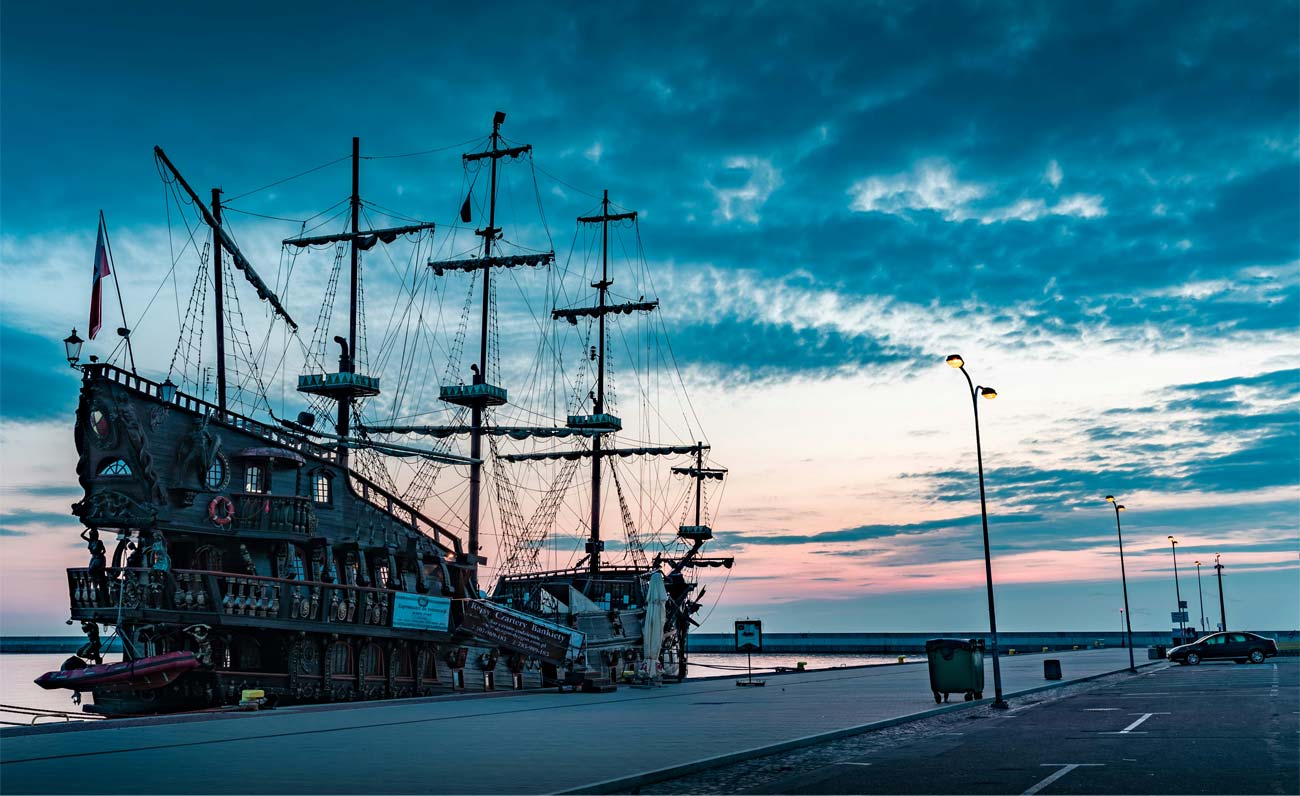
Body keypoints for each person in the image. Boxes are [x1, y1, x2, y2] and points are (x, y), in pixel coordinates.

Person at [80, 528, 108, 605]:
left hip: (98, 558)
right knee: (90, 571)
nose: (91, 535)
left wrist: (101, 557)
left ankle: (94, 585)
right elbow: (82, 535)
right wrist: (87, 529)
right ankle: (93, 585)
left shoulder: (99, 542)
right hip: (93, 558)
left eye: (92, 534)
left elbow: (104, 551)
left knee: (91, 571)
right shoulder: (91, 541)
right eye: (90, 534)